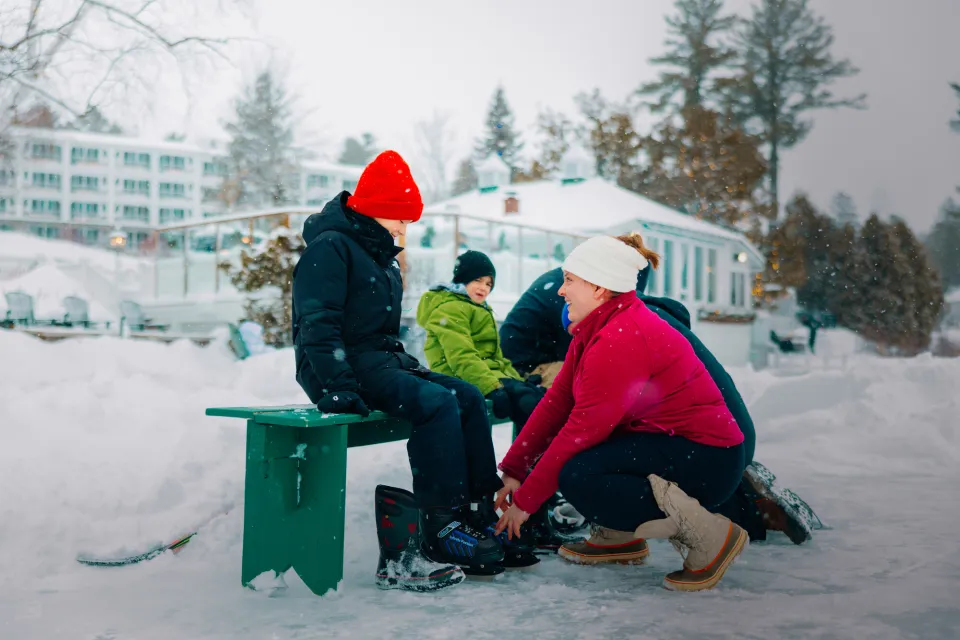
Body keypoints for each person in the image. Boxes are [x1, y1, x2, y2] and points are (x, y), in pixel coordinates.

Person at [291, 151, 519, 588]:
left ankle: (474, 512)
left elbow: (380, 332)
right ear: (373, 208)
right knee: (434, 403)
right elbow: (316, 323)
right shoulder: (332, 248)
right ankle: (440, 527)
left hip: (380, 361)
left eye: (408, 221)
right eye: (398, 217)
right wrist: (335, 385)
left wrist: (404, 365)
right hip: (340, 369)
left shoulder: (380, 256)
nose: (403, 229)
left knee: (466, 396)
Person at [494, 233, 749, 591]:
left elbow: (580, 431)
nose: (561, 291)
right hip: (676, 443)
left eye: (570, 281)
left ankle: (709, 535)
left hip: (708, 460)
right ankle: (620, 536)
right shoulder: (597, 327)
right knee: (586, 463)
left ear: (599, 288)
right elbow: (557, 402)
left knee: (579, 475)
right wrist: (515, 469)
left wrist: (524, 503)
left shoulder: (622, 337)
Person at [501, 264, 816, 545]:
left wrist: (527, 499)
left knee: (589, 457)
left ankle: (721, 521)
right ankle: (738, 502)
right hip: (731, 436)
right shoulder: (637, 315)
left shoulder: (617, 326)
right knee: (608, 427)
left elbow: (580, 420)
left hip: (705, 446)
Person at [415, 250, 567, 553]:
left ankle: (533, 503)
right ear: (461, 280)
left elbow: (497, 359)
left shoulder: (479, 309)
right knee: (534, 408)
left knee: (539, 403)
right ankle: (522, 501)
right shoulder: (450, 309)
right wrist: (493, 387)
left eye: (489, 283)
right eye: (477, 280)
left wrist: (518, 381)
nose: (483, 287)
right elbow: (462, 357)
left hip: (488, 377)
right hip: (462, 380)